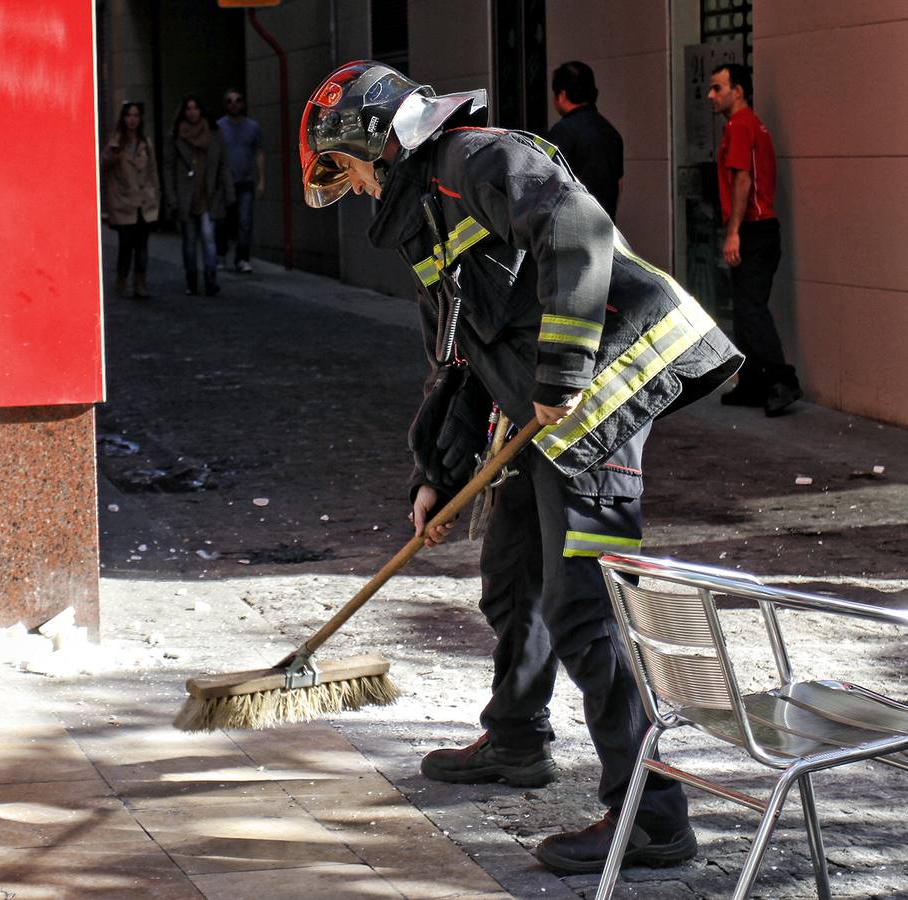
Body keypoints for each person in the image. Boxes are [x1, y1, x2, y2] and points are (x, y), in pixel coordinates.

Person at [298, 61, 742, 875]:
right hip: (540, 413)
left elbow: (577, 232)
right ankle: (515, 739)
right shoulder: (425, 215)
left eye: (349, 168)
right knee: (509, 572)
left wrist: (564, 375)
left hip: (599, 396)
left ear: (375, 139)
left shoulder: (482, 161)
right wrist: (437, 472)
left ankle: (652, 816)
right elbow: (463, 358)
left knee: (585, 610)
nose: (354, 186)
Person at [708, 63, 801, 415]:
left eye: (718, 88)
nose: (711, 96)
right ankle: (753, 383)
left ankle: (782, 379)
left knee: (751, 308)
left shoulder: (740, 124)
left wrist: (733, 233)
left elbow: (742, 179)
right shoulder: (748, 124)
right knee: (746, 308)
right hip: (758, 228)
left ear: (739, 91)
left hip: (754, 229)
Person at [163, 95, 233, 296]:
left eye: (195, 108)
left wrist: (229, 193)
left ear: (201, 110)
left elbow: (223, 164)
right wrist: (172, 197)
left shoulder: (213, 133)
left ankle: (211, 278)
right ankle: (191, 279)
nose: (192, 112)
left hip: (208, 194)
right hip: (186, 195)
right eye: (188, 109)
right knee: (189, 240)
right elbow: (168, 167)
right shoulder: (176, 135)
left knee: (208, 237)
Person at [548, 61, 623, 220]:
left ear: (562, 95)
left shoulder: (562, 132)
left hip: (572, 228)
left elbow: (550, 184)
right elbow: (618, 185)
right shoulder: (611, 132)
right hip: (605, 227)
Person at [101, 101, 159, 299]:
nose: (132, 120)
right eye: (129, 115)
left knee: (142, 245)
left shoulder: (146, 142)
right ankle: (122, 278)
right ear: (123, 118)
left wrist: (156, 196)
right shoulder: (116, 141)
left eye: (136, 115)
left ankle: (140, 282)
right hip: (124, 203)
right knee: (126, 244)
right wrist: (114, 154)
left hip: (144, 202)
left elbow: (153, 172)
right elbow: (104, 165)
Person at [216, 89, 265, 273]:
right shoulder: (219, 127)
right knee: (222, 221)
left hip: (246, 181)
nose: (233, 104)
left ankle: (242, 258)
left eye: (237, 100)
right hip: (224, 183)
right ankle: (221, 254)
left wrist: (261, 181)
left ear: (243, 103)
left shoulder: (253, 127)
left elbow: (259, 153)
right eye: (229, 101)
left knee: (245, 221)